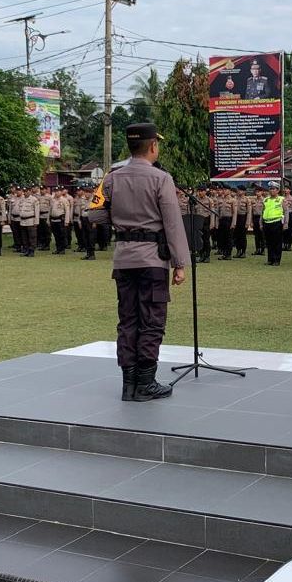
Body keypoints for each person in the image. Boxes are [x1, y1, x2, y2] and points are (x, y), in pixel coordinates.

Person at [86, 123, 188, 402]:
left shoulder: (112, 178)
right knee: (152, 320)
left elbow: (93, 214)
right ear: (153, 146)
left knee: (128, 320)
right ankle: (145, 383)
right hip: (152, 259)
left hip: (123, 259)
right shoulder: (161, 178)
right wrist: (180, 263)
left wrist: (120, 221)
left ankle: (128, 385)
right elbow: (173, 223)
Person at [261, 181, 287, 266]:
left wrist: (285, 223)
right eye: (270, 189)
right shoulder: (266, 200)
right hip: (267, 222)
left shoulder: (281, 199)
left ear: (278, 190)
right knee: (269, 242)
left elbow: (286, 212)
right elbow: (263, 212)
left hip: (277, 222)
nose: (271, 191)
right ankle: (270, 259)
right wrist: (261, 223)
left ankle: (276, 260)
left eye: (273, 189)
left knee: (277, 242)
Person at [17, 185, 39, 257]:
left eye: (27, 191)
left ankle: (31, 251)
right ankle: (26, 250)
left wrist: (36, 222)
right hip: (23, 221)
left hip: (31, 220)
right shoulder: (22, 199)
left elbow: (37, 211)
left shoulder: (34, 199)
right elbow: (20, 210)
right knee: (24, 237)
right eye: (24, 191)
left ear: (30, 191)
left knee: (32, 237)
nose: (25, 193)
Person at [50, 186, 71, 255]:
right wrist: (48, 220)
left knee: (61, 235)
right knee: (56, 236)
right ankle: (58, 248)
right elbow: (50, 210)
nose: (56, 193)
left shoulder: (64, 200)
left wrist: (67, 221)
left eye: (58, 191)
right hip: (53, 220)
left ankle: (62, 249)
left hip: (61, 220)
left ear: (61, 192)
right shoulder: (52, 200)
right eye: (55, 191)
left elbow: (67, 211)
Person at [251, 186, 267, 256]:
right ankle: (257, 249)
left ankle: (263, 250)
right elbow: (251, 211)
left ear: (262, 192)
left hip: (262, 218)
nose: (257, 193)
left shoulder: (265, 200)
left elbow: (265, 211)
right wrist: (251, 221)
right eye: (256, 192)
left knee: (262, 235)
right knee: (256, 235)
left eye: (259, 192)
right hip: (255, 218)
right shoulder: (253, 200)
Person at [36, 186, 52, 252]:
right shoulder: (38, 197)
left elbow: (51, 207)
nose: (42, 191)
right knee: (40, 231)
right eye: (41, 189)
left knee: (47, 231)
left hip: (46, 215)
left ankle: (47, 245)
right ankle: (42, 244)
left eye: (43, 189)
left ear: (46, 190)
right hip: (40, 216)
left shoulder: (49, 197)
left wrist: (49, 217)